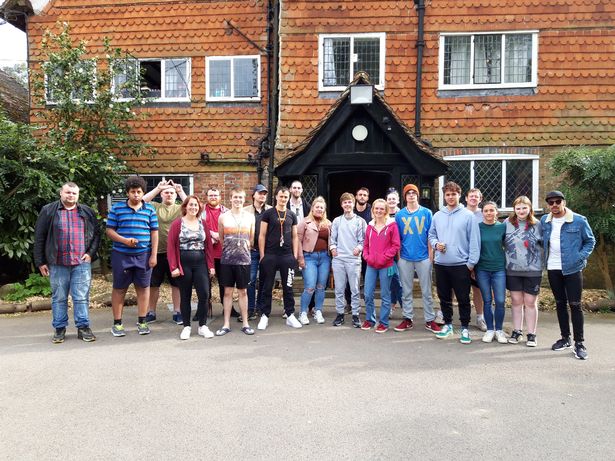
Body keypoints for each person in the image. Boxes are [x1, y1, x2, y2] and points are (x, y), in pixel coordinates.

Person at [34, 182, 100, 343]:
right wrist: (40, 261)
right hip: (57, 263)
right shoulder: (48, 210)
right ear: (61, 194)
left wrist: (90, 253)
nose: (71, 195)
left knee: (81, 297)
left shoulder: (87, 212)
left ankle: (83, 327)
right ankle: (59, 328)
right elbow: (39, 237)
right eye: (68, 192)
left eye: (74, 193)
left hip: (81, 263)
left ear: (78, 196)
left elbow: (96, 234)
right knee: (59, 297)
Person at [541, 191, 595, 360]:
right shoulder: (545, 220)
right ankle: (565, 338)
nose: (554, 205)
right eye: (551, 202)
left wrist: (579, 257)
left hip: (572, 268)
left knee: (575, 304)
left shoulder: (578, 220)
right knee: (560, 303)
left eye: (557, 201)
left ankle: (579, 342)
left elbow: (590, 240)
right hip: (553, 267)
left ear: (564, 202)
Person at [428, 181, 480, 344]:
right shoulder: (438, 215)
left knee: (463, 298)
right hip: (442, 264)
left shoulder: (468, 216)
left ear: (459, 195)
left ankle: (465, 327)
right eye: (448, 194)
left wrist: (470, 264)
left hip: (461, 265)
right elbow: (431, 235)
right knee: (444, 297)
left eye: (454, 194)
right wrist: (436, 245)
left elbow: (474, 241)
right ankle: (448, 325)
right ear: (444, 196)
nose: (451, 197)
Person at [106, 175, 159, 336]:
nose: (136, 195)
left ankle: (142, 322)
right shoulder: (117, 209)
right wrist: (124, 241)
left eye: (139, 192)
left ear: (143, 193)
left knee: (143, 288)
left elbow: (154, 233)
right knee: (119, 289)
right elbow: (109, 231)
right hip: (121, 255)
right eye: (133, 192)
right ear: (127, 193)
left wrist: (153, 255)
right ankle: (117, 324)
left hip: (144, 255)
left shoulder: (149, 209)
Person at [394, 184, 441, 333]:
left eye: (414, 193)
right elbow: (398, 238)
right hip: (405, 257)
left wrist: (430, 255)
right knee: (406, 290)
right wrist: (399, 257)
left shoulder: (427, 213)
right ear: (405, 197)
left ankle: (429, 320)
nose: (411, 195)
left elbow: (430, 235)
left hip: (423, 257)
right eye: (408, 193)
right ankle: (407, 318)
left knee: (426, 291)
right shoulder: (399, 215)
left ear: (418, 195)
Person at [167, 195, 215, 340]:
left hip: (200, 263)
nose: (193, 207)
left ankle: (202, 326)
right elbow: (170, 246)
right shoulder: (177, 224)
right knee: (185, 296)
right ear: (185, 207)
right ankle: (186, 326)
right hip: (184, 263)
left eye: (196, 205)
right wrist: (174, 267)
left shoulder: (203, 223)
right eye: (191, 205)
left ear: (199, 207)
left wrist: (211, 265)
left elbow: (208, 247)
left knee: (204, 294)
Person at [256, 186, 302, 330]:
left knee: (288, 287)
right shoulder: (268, 214)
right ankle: (264, 315)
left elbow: (295, 236)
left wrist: (294, 256)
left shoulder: (291, 215)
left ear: (288, 198)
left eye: (285, 197)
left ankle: (290, 314)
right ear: (276, 197)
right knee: (267, 286)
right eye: (281, 196)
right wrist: (263, 256)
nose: (283, 199)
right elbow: (262, 235)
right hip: (270, 255)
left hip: (287, 256)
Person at [143, 179, 187, 324]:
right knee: (153, 284)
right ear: (161, 195)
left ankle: (177, 311)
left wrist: (180, 191)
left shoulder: (180, 208)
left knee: (176, 284)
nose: (169, 195)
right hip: (156, 252)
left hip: (176, 253)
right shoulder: (154, 206)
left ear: (175, 196)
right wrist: (157, 188)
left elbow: (194, 206)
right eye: (166, 192)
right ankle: (151, 311)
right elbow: (142, 200)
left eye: (172, 193)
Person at [215, 187, 256, 336]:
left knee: (243, 291)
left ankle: (245, 323)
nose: (238, 200)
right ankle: (226, 324)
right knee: (227, 292)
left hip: (244, 260)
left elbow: (251, 239)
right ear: (230, 199)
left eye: (240, 197)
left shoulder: (250, 217)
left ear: (244, 199)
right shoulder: (223, 217)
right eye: (235, 197)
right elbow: (221, 238)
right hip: (227, 260)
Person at [503, 196, 543, 347]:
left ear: (530, 209)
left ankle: (532, 334)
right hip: (513, 269)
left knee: (530, 302)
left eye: (524, 208)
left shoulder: (537, 224)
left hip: (533, 270)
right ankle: (517, 331)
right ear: (514, 209)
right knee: (516, 301)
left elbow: (545, 245)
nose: (521, 211)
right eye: (518, 208)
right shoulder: (507, 223)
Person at [362, 198, 401, 332]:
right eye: (376, 208)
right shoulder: (369, 226)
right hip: (371, 265)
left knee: (385, 294)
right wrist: (367, 257)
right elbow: (366, 245)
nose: (379, 211)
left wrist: (385, 257)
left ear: (386, 211)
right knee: (367, 294)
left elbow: (396, 245)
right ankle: (370, 319)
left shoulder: (392, 225)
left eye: (381, 209)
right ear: (372, 210)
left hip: (387, 265)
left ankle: (383, 322)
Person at [330, 192, 367, 328]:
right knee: (339, 288)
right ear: (341, 205)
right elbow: (332, 239)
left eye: (349, 202)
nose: (347, 204)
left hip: (353, 259)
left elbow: (363, 240)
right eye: (344, 202)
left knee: (355, 289)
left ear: (353, 204)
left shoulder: (360, 221)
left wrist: (359, 248)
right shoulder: (337, 221)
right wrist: (333, 248)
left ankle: (356, 315)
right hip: (339, 259)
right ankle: (340, 314)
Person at [475, 201, 507, 344]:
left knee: (500, 300)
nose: (488, 213)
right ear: (482, 213)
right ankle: (489, 330)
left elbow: (509, 246)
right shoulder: (478, 228)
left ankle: (499, 330)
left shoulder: (502, 227)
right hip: (482, 268)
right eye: (486, 211)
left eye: (491, 210)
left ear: (496, 212)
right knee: (487, 301)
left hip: (499, 268)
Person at [297, 196, 332, 325]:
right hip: (309, 257)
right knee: (310, 287)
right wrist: (300, 258)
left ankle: (318, 311)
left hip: (324, 257)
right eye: (317, 207)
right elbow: (298, 241)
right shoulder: (304, 222)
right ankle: (303, 312)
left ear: (324, 210)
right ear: (312, 208)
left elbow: (332, 241)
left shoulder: (328, 223)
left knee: (321, 287)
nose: (319, 209)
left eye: (321, 207)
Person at [244, 184, 271, 320]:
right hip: (251, 250)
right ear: (253, 195)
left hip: (267, 252)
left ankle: (261, 307)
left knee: (264, 280)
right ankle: (250, 309)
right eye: (260, 193)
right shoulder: (245, 211)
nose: (262, 196)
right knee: (250, 280)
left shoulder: (271, 210)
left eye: (265, 194)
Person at [204, 187, 233, 316]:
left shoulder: (226, 212)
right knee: (205, 284)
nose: (213, 197)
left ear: (220, 197)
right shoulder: (201, 212)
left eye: (215, 195)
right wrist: (210, 235)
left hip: (223, 253)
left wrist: (219, 235)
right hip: (206, 253)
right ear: (207, 197)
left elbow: (232, 229)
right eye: (211, 195)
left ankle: (227, 308)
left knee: (224, 282)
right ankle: (204, 309)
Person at [465, 188, 487, 331]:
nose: (473, 198)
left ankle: (480, 317)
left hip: (478, 258)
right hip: (460, 257)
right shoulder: (460, 213)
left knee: (477, 289)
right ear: (466, 198)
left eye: (476, 196)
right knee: (454, 287)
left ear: (480, 199)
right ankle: (444, 313)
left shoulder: (484, 214)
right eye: (471, 196)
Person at [385, 188, 403, 311]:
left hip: (401, 252)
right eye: (389, 199)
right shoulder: (383, 214)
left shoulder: (402, 214)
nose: (391, 201)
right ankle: (392, 304)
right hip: (388, 253)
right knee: (393, 279)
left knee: (400, 280)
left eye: (393, 199)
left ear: (398, 200)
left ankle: (404, 306)